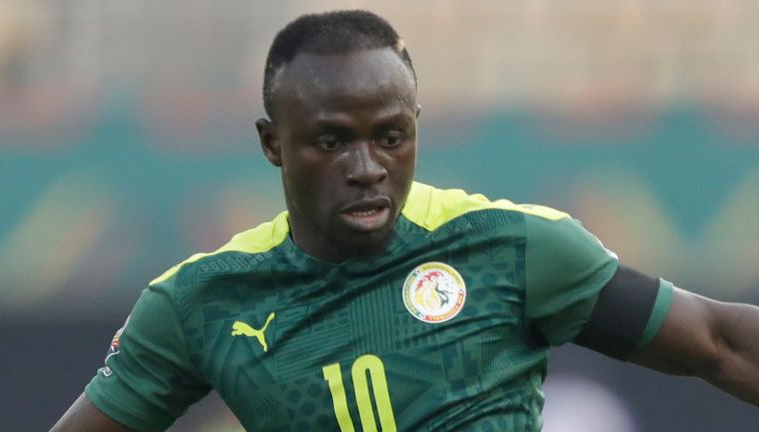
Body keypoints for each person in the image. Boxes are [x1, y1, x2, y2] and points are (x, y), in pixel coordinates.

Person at [51, 10, 758, 432]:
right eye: (332, 142)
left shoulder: (509, 246)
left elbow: (720, 343)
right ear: (273, 144)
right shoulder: (200, 302)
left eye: (390, 137)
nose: (367, 167)